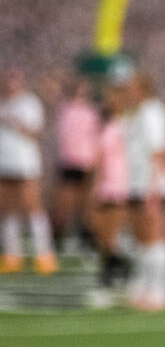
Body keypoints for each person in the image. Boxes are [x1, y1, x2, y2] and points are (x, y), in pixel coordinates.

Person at [124, 70, 165, 311]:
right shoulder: (137, 113)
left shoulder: (153, 112)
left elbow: (159, 153)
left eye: (131, 87)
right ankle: (142, 285)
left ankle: (160, 290)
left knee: (156, 236)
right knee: (141, 238)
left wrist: (154, 188)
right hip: (137, 182)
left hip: (152, 185)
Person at [0, 67, 56, 275]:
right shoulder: (2, 102)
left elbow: (35, 131)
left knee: (33, 207)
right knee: (7, 209)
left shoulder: (29, 102)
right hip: (4, 163)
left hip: (24, 164)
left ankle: (44, 254)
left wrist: (15, 122)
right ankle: (12, 255)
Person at [88, 83, 132, 307]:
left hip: (119, 186)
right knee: (102, 237)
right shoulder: (105, 125)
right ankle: (116, 274)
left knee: (112, 236)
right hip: (103, 186)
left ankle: (112, 278)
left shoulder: (126, 125)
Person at [54, 77, 101, 258]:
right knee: (64, 206)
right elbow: (49, 85)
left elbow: (96, 139)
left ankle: (88, 240)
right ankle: (58, 238)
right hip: (68, 162)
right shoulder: (65, 108)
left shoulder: (92, 111)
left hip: (87, 162)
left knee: (87, 205)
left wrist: (95, 163)